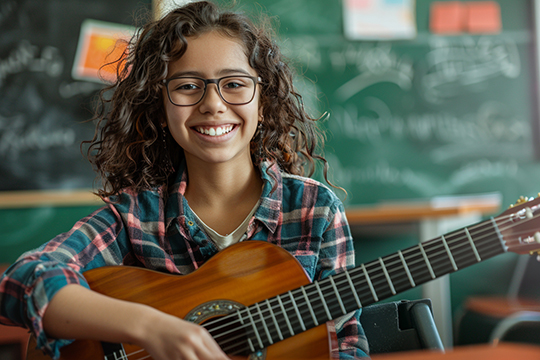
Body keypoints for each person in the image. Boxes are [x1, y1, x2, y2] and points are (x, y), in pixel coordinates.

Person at [0, 1, 369, 359]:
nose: (213, 104)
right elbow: (25, 279)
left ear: (263, 100)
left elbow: (344, 347)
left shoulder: (314, 211)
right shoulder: (136, 218)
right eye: (188, 86)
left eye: (235, 84)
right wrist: (149, 327)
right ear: (160, 108)